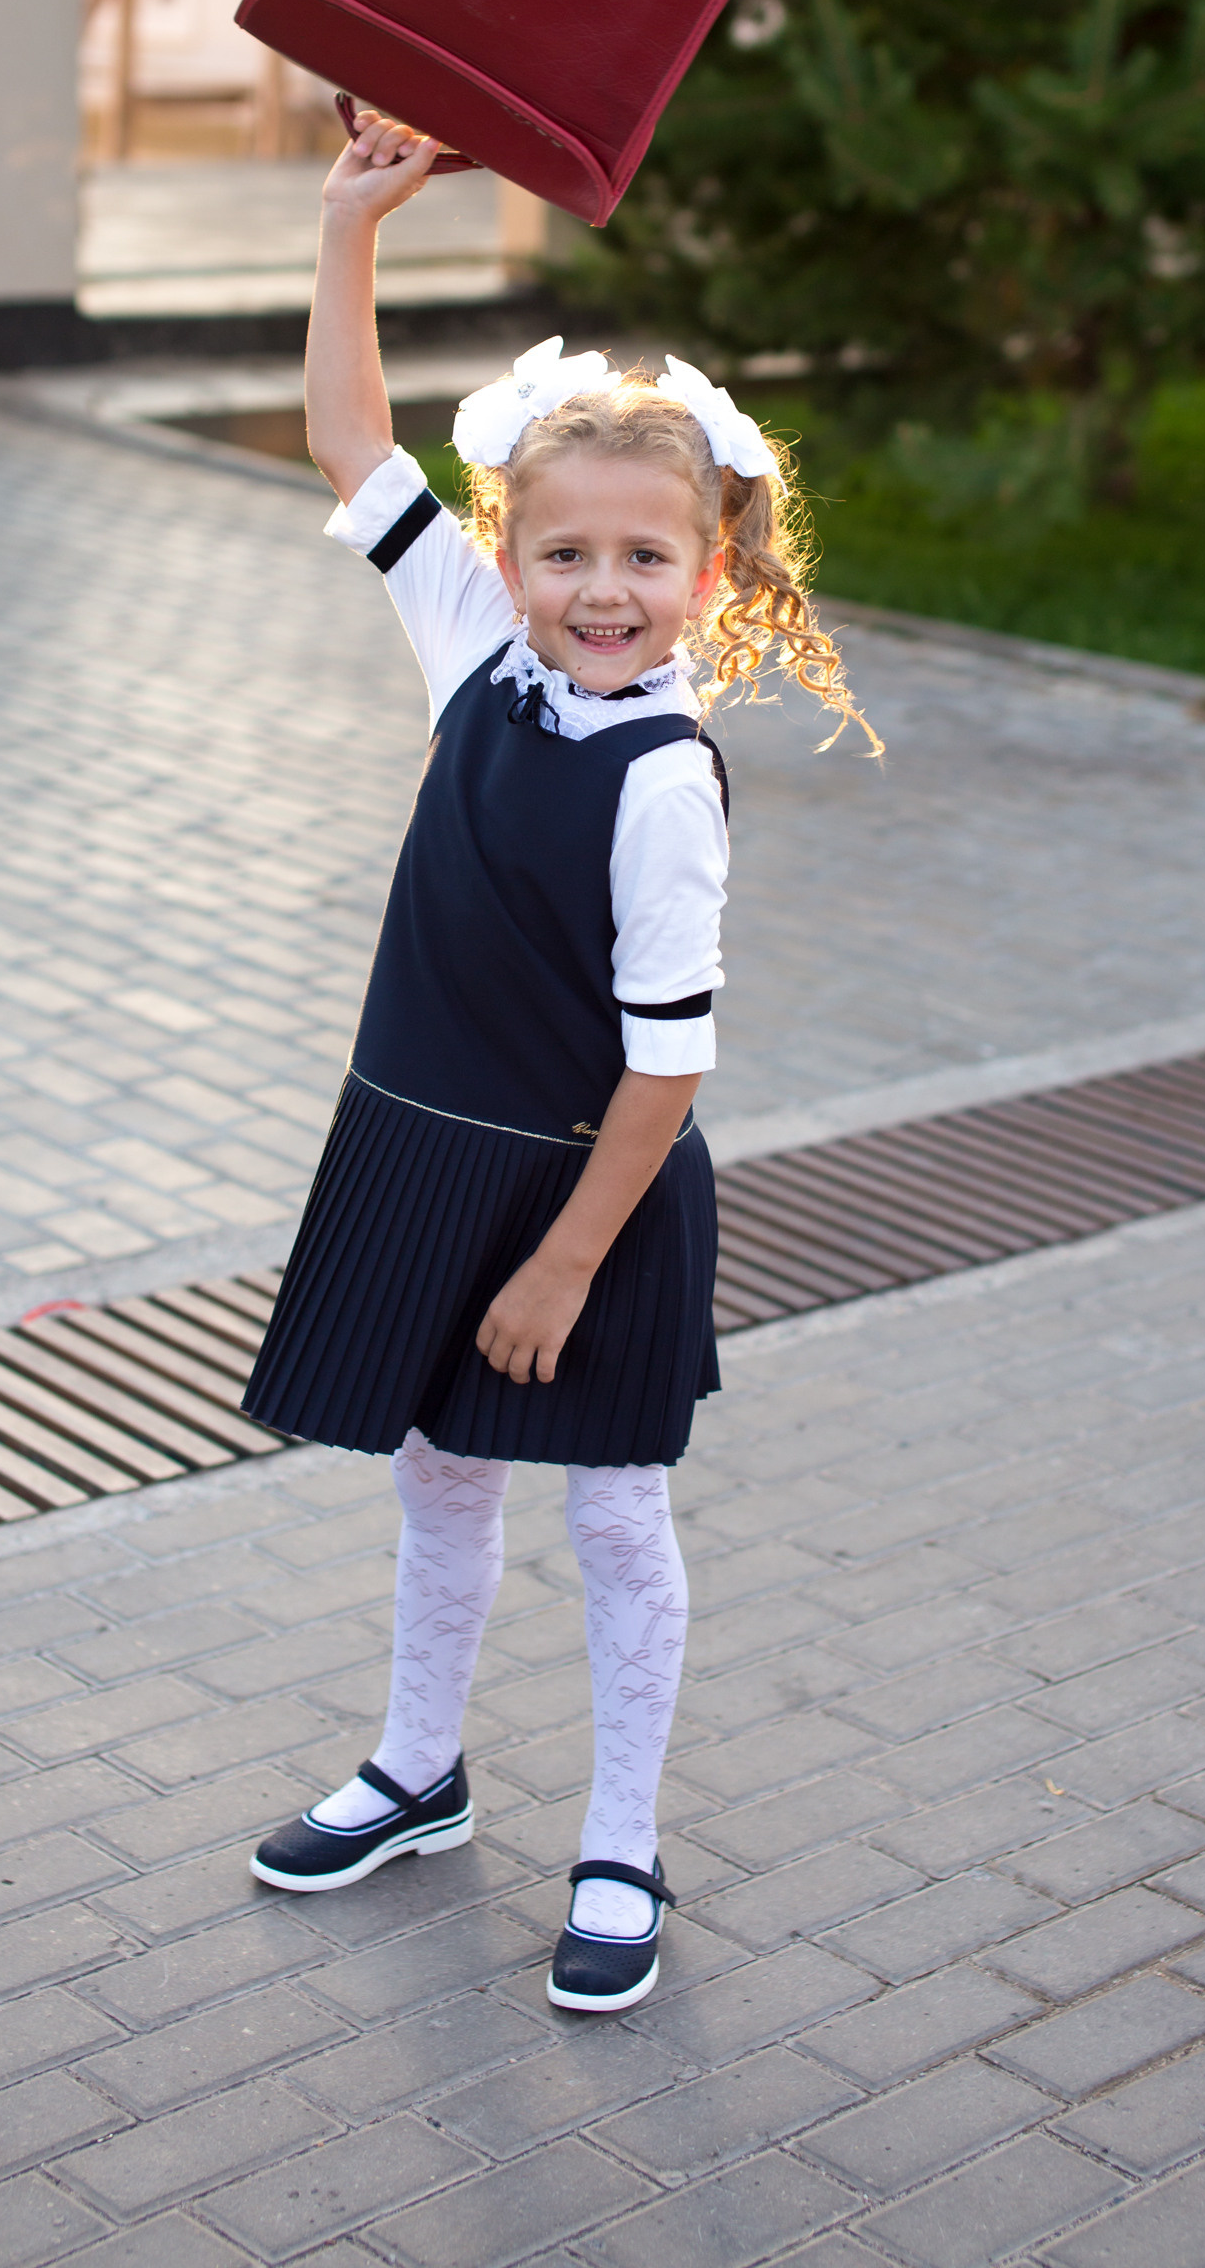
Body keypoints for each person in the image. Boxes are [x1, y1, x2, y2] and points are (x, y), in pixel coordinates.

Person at [242, 106, 871, 2013]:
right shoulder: (482, 653)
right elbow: (353, 441)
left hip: (577, 1193)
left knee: (609, 1505)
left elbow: (669, 1069)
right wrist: (351, 227)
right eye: (567, 550)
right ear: (513, 549)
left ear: (714, 572)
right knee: (436, 1473)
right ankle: (418, 1770)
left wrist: (569, 1257)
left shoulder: (664, 778)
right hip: (426, 1153)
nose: (602, 590)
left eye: (646, 561)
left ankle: (620, 1840)